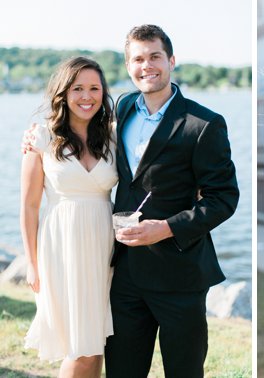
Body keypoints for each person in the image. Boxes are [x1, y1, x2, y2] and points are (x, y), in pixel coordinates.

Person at [101, 25, 239, 377]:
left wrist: (165, 228)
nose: (146, 66)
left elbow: (223, 199)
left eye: (154, 57)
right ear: (128, 66)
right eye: (138, 59)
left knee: (183, 371)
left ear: (171, 60)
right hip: (126, 272)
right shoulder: (125, 105)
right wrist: (38, 140)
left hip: (181, 274)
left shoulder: (204, 124)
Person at [21, 56, 117, 378]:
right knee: (79, 347)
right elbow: (29, 206)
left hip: (103, 246)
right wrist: (32, 263)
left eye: (94, 88)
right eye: (78, 88)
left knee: (96, 342)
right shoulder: (42, 137)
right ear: (63, 92)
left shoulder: (113, 136)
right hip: (62, 247)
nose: (86, 96)